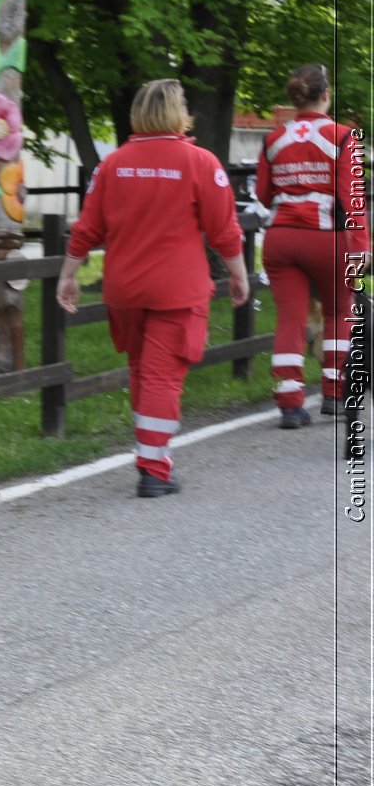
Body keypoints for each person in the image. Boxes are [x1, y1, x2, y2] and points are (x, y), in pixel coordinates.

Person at [57, 78, 249, 498]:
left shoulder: (112, 165)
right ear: (178, 114)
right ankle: (154, 468)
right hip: (176, 290)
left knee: (144, 372)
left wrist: (68, 273)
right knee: (163, 378)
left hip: (125, 289)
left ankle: (151, 457)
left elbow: (88, 227)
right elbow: (223, 229)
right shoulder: (200, 162)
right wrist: (239, 272)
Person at [255, 63, 368, 427]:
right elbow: (352, 198)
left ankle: (289, 402)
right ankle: (335, 394)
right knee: (339, 311)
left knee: (290, 316)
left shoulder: (273, 138)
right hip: (327, 237)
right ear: (326, 95)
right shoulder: (343, 136)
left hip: (280, 237)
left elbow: (261, 192)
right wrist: (362, 244)